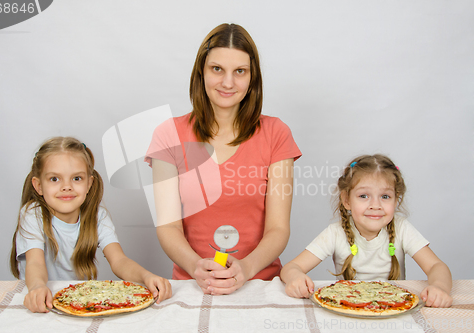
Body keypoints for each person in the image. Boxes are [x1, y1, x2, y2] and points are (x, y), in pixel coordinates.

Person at [145, 23, 302, 295]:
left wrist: (247, 268)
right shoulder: (168, 135)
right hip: (192, 286)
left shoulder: (276, 133)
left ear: (252, 78)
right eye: (217, 69)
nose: (228, 83)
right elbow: (168, 226)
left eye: (239, 71)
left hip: (260, 286)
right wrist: (196, 266)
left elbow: (278, 228)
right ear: (201, 72)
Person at [10, 137, 171, 313]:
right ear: (38, 186)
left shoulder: (97, 216)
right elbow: (35, 264)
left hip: (78, 302)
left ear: (89, 183)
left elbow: (119, 260)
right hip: (41, 300)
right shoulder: (33, 214)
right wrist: (37, 288)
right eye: (54, 179)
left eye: (76, 178)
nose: (66, 187)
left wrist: (146, 276)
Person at [280, 154, 453, 308]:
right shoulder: (335, 233)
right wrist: (295, 277)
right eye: (364, 196)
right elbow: (291, 267)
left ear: (396, 200)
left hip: (393, 309)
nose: (375, 205)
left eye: (385, 197)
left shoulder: (401, 228)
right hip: (348, 311)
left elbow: (436, 266)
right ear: (346, 200)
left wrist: (439, 287)